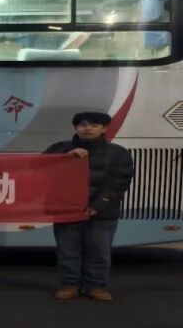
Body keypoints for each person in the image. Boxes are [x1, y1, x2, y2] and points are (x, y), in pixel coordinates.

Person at [44, 112, 135, 301]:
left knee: (99, 252)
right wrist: (64, 158)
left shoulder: (118, 153)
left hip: (103, 212)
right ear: (75, 128)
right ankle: (70, 285)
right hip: (66, 210)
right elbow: (40, 168)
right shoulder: (59, 148)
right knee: (67, 251)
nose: (88, 128)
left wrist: (99, 204)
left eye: (94, 125)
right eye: (83, 125)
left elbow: (119, 181)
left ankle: (96, 286)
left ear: (104, 128)